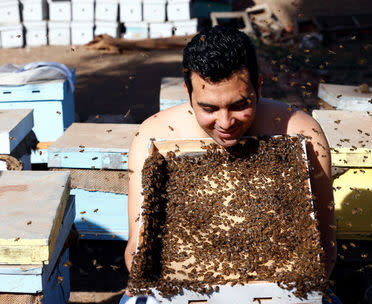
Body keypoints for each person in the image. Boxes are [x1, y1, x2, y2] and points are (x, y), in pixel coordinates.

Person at [120, 25, 337, 304]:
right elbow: (137, 245)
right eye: (209, 108)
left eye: (238, 105)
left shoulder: (301, 131)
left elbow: (325, 247)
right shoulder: (152, 134)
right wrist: (142, 276)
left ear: (258, 87)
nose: (225, 123)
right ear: (188, 93)